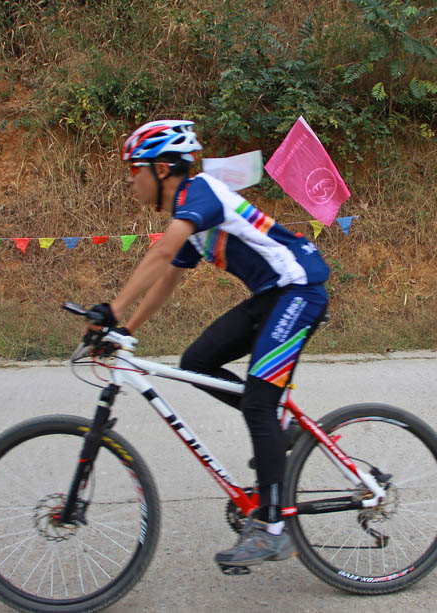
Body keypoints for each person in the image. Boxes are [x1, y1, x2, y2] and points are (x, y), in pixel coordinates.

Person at [87, 119, 329, 568]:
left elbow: (160, 252)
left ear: (161, 169)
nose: (130, 181)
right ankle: (279, 427)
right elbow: (167, 276)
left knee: (258, 402)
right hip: (273, 297)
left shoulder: (199, 194)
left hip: (300, 291)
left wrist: (113, 310)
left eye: (134, 170)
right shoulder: (190, 217)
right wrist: (127, 329)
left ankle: (272, 529)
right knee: (197, 361)